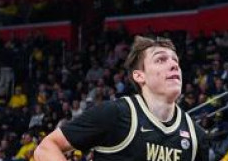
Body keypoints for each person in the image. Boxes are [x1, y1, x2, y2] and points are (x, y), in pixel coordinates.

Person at [34, 36, 211, 161]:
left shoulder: (196, 136)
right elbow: (46, 147)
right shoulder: (115, 114)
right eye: (160, 60)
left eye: (175, 61)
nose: (173, 65)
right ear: (140, 76)